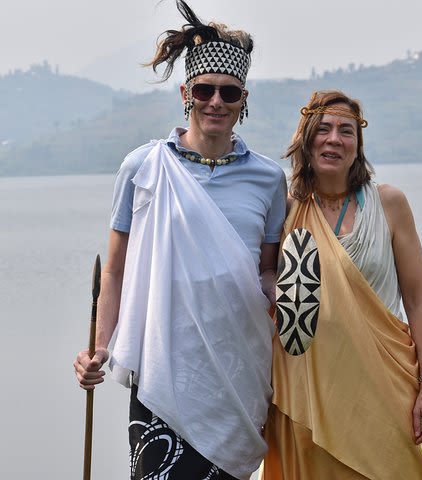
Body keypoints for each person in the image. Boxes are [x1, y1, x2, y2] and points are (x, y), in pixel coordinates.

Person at [73, 2, 286, 479]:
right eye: (204, 90)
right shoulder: (143, 167)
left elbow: (266, 270)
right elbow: (115, 270)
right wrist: (100, 348)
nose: (216, 102)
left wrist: (296, 300)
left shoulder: (270, 179)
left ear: (243, 99)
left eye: (228, 93)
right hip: (163, 363)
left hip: (238, 366)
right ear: (186, 94)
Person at [261, 91, 422, 479]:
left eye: (346, 131)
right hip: (305, 394)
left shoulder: (389, 204)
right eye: (323, 129)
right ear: (306, 138)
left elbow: (417, 299)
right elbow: (263, 284)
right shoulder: (285, 207)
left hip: (380, 389)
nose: (334, 139)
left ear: (357, 146)